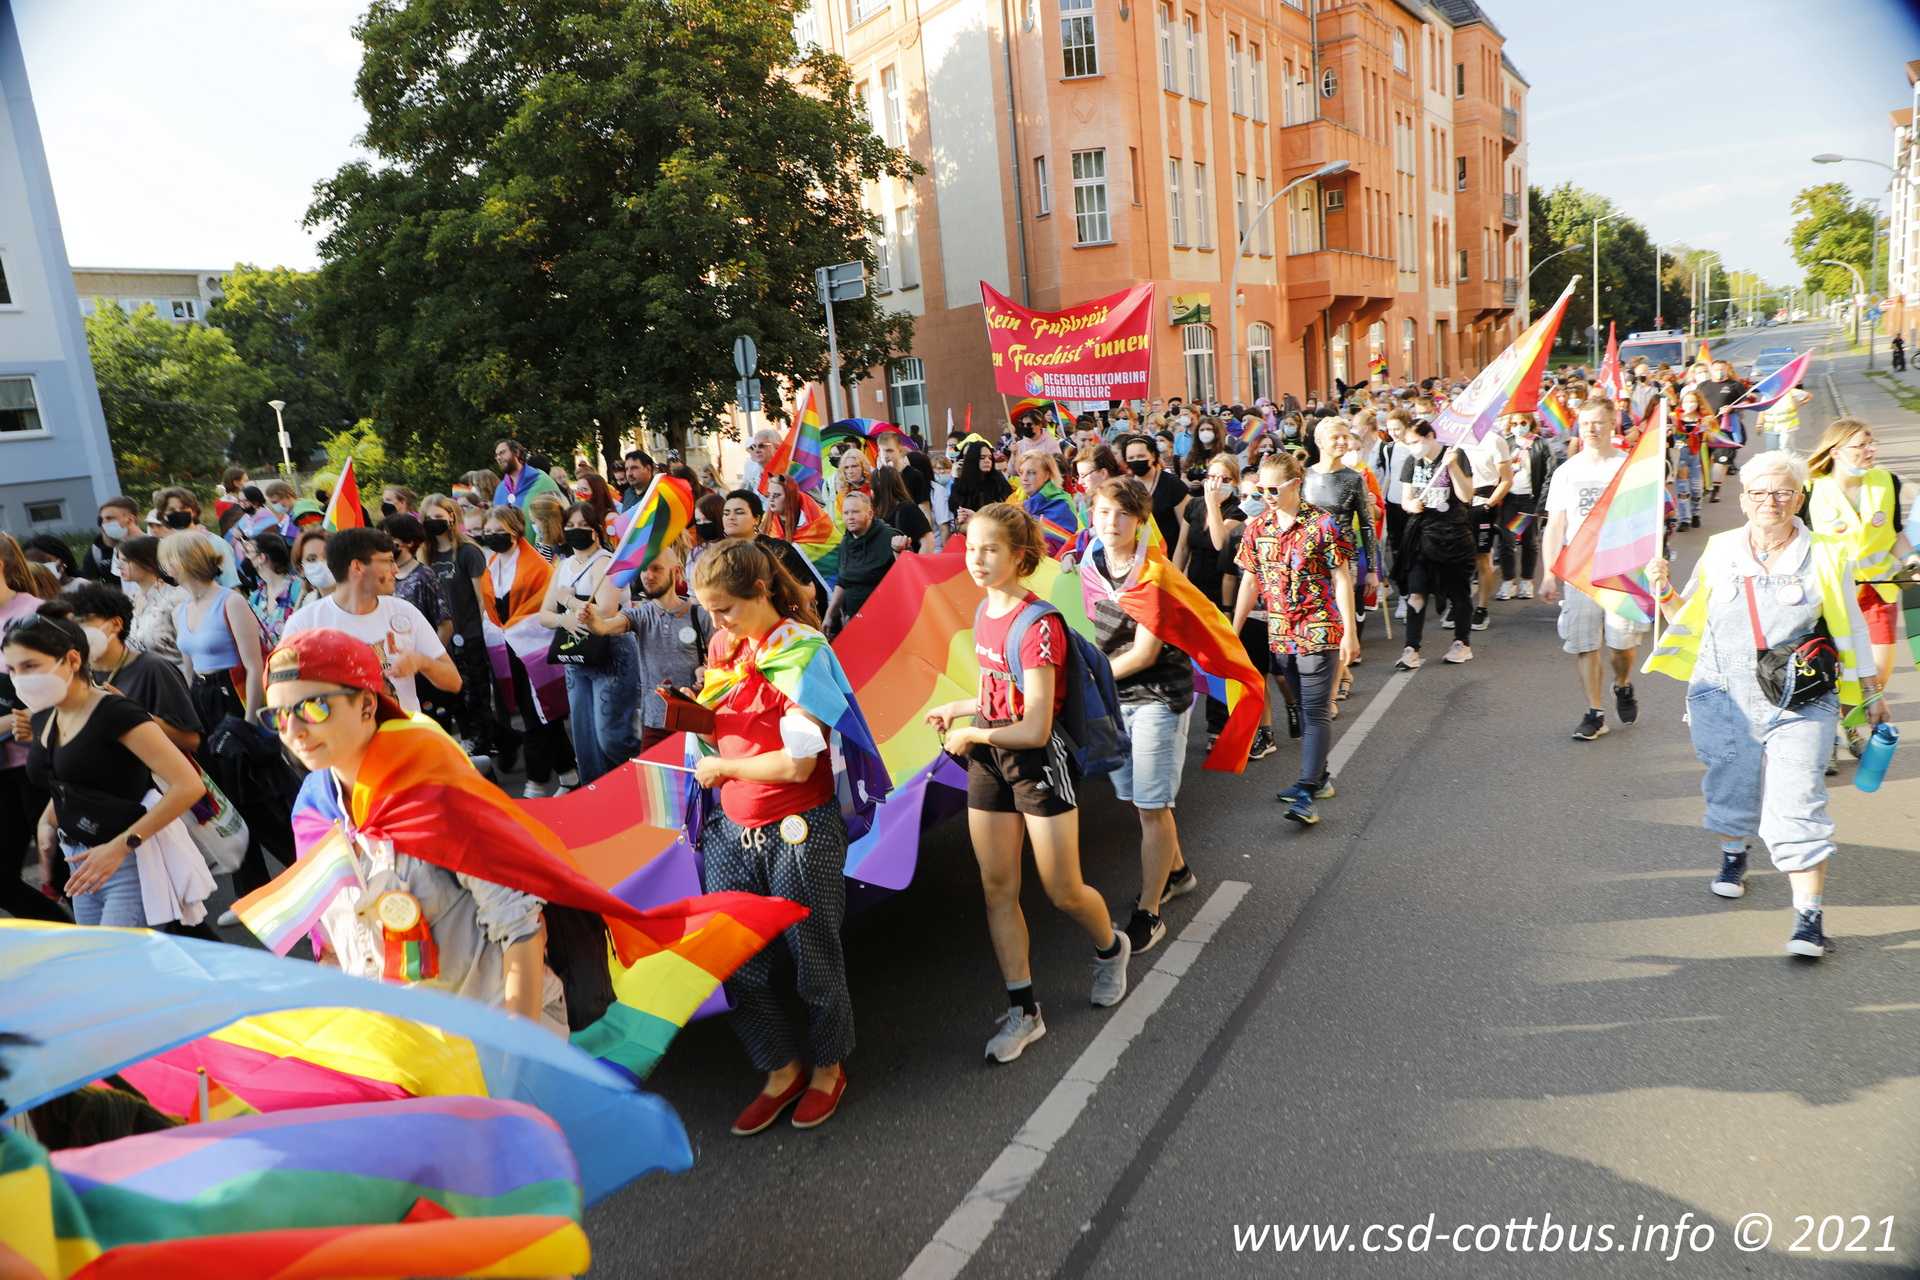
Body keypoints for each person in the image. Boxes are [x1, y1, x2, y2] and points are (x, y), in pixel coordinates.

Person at [1645, 451, 1886, 958]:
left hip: (1800, 696)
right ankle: (1734, 853)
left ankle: (1808, 920)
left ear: (1799, 498)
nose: (1769, 501)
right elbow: (1687, 616)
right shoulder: (1720, 549)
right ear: (1743, 500)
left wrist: (1871, 692)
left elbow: (1853, 625)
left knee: (1799, 801)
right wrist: (1661, 589)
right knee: (1730, 781)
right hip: (1722, 690)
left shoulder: (1826, 553)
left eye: (1781, 492)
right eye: (1758, 492)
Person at [923, 504, 1131, 1065]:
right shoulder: (985, 609)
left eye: (990, 549)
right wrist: (961, 708)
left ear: (1019, 556)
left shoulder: (1039, 625)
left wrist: (972, 734)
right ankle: (1024, 1011)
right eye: (971, 548)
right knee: (997, 888)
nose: (976, 559)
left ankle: (1111, 948)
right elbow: (998, 689)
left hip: (1037, 760)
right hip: (991, 755)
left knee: (1063, 889)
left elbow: (1036, 726)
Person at [687, 538, 876, 1131]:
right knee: (734, 960)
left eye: (725, 608)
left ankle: (828, 1068)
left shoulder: (801, 652)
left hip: (800, 828)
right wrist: (696, 716)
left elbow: (798, 765)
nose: (717, 622)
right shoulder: (724, 644)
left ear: (760, 590)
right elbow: (726, 726)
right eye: (709, 611)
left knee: (812, 959)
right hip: (732, 827)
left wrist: (723, 767)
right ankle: (780, 1069)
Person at [13, 607, 208, 928]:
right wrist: (48, 822)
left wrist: (121, 846)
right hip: (79, 864)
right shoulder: (45, 716)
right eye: (13, 669)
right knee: (114, 957)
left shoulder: (114, 711)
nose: (20, 678)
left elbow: (188, 785)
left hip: (128, 862)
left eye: (30, 666)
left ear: (72, 660)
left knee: (119, 957)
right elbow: (65, 778)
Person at [1081, 478, 1202, 948]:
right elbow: (1101, 630)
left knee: (1152, 806)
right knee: (1137, 798)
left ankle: (1149, 912)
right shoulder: (1092, 562)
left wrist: (1086, 683)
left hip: (1158, 695)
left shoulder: (1154, 573)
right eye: (1103, 511)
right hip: (1117, 698)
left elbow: (1144, 654)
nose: (1111, 522)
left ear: (1140, 521)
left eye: (1123, 514)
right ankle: (1178, 872)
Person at [1231, 454, 1358, 827]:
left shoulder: (1322, 524)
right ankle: (1320, 779)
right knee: (1303, 708)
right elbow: (1250, 582)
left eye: (1274, 489)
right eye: (1261, 490)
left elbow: (1342, 579)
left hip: (1318, 627)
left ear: (1296, 483)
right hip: (1280, 632)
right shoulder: (1258, 527)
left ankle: (1306, 792)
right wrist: (1233, 631)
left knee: (1315, 711)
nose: (1267, 496)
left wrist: (1350, 632)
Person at [1541, 397, 1650, 740]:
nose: (1590, 429)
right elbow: (1555, 526)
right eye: (1585, 423)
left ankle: (1623, 684)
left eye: (1598, 422)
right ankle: (1595, 713)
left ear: (1612, 422)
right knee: (1584, 642)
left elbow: (1644, 519)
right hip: (1580, 567)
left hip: (1621, 565)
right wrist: (1548, 573)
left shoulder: (1628, 466)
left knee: (1621, 644)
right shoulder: (1567, 471)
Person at [280, 527, 460, 719]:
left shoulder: (405, 611)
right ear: (357, 567)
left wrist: (421, 662)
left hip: (405, 735)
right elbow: (284, 698)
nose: (396, 569)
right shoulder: (303, 624)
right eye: (388, 561)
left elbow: (454, 682)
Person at [1808, 419, 1920, 699]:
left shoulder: (1887, 482)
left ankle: (1861, 712)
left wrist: (1912, 561)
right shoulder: (1809, 490)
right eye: (1862, 445)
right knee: (1838, 673)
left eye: (1872, 444)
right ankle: (1848, 719)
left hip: (1877, 591)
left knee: (1877, 677)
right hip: (1832, 595)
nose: (1871, 450)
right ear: (1836, 452)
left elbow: (1894, 532)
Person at [538, 502, 637, 784]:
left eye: (583, 525)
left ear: (596, 530)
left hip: (612, 652)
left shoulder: (605, 561)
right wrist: (565, 620)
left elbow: (606, 610)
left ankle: (641, 777)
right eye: (570, 525)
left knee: (610, 736)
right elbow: (545, 615)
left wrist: (567, 600)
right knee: (584, 736)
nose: (575, 530)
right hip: (576, 654)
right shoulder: (564, 566)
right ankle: (597, 793)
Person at [479, 506, 575, 797]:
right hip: (508, 649)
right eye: (488, 531)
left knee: (538, 716)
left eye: (499, 531)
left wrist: (515, 627)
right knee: (544, 716)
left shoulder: (538, 566)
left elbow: (547, 608)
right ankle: (570, 775)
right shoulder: (492, 564)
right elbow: (491, 609)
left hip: (536, 648)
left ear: (515, 531)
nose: (493, 536)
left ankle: (535, 786)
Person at [582, 541, 711, 753]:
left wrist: (706, 670)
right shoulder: (640, 615)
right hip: (654, 724)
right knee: (649, 774)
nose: (648, 576)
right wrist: (591, 620)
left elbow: (721, 661)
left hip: (694, 722)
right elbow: (603, 627)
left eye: (656, 568)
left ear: (676, 571)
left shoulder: (701, 615)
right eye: (643, 570)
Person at [0, 536, 65, 922]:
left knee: (67, 874)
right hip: (2, 770)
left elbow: (69, 684)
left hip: (41, 765)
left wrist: (13, 720)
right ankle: (69, 937)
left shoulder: (35, 613)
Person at [65, 584, 199, 756]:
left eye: (82, 623)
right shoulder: (76, 674)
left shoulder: (152, 668)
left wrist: (134, 715)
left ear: (115, 624)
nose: (75, 634)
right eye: (70, 626)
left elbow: (190, 740)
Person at [1302, 419, 1380, 701]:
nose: (1342, 442)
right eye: (1335, 437)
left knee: (1336, 623)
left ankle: (1331, 693)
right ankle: (1343, 673)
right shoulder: (1304, 477)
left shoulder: (1354, 478)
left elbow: (1367, 524)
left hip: (1344, 561)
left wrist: (1372, 569)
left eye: (1345, 436)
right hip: (1310, 561)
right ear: (1319, 442)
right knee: (1317, 623)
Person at [1392, 421, 1476, 670]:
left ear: (1430, 436)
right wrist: (1410, 505)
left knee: (1459, 593)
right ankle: (1411, 648)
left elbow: (1466, 496)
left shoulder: (1455, 455)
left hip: (1454, 534)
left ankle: (1462, 643)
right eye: (1409, 443)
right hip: (1421, 535)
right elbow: (1406, 498)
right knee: (1416, 591)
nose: (1413, 447)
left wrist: (1453, 467)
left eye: (1416, 442)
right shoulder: (1412, 461)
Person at [421, 492, 497, 756]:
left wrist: (483, 636)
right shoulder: (426, 555)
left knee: (476, 698)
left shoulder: (468, 552)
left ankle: (483, 750)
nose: (434, 521)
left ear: (451, 517)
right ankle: (499, 740)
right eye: (428, 518)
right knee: (454, 699)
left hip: (469, 636)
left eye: (439, 516)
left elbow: (482, 599)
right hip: (442, 639)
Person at [823, 491, 907, 637]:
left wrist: (898, 552)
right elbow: (842, 582)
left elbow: (908, 575)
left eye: (855, 512)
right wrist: (829, 616)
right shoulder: (845, 542)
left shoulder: (890, 537)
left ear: (870, 514)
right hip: (854, 622)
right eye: (846, 513)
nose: (850, 517)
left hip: (887, 623)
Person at [1459, 417, 1515, 632]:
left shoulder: (1495, 441)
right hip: (1458, 505)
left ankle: (1481, 608)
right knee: (1458, 558)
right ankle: (1459, 603)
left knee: (1482, 558)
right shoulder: (1456, 439)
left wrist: (1489, 505)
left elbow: (1506, 479)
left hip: (1482, 504)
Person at [1494, 413, 1555, 601]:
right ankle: (1508, 582)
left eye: (1522, 422)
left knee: (1529, 541)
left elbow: (1549, 475)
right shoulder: (1506, 443)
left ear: (1530, 423)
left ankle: (1527, 581)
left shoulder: (1541, 444)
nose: (1518, 426)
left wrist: (1541, 505)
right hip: (1509, 499)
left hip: (1529, 500)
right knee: (1507, 540)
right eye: (1514, 423)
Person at [154, 487, 240, 587]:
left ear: (194, 512)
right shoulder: (165, 548)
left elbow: (231, 585)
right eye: (171, 510)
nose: (178, 512)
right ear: (163, 516)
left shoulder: (215, 543)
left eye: (183, 508)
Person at [1693, 360, 1747, 500]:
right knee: (1704, 458)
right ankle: (1706, 486)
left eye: (1723, 369)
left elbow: (1744, 404)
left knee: (1721, 459)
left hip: (1725, 429)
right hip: (1705, 428)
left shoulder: (1735, 385)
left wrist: (1731, 408)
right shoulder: (1702, 386)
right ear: (1711, 370)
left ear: (1728, 369)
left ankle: (1716, 490)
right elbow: (1695, 403)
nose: (1719, 371)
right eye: (1716, 369)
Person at [1123, 434, 1188, 548]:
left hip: (1170, 553)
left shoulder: (1172, 484)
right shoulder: (1125, 488)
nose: (1136, 461)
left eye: (1141, 456)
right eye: (1131, 458)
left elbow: (1185, 527)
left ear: (1152, 456)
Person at [244, 530, 304, 647]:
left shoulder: (298, 589)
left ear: (261, 557)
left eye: (248, 552)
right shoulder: (256, 597)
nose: (246, 557)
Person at [870, 465, 934, 552]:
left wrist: (912, 561)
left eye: (872, 488)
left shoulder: (907, 509)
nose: (872, 492)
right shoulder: (877, 513)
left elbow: (928, 542)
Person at [79, 496, 139, 587]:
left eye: (110, 518)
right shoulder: (95, 554)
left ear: (130, 520)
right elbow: (90, 589)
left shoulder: (148, 546)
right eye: (103, 519)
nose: (105, 523)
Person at [950, 440, 1012, 522]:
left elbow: (1008, 509)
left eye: (990, 457)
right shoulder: (961, 484)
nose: (987, 461)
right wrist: (956, 477)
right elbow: (958, 518)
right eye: (982, 457)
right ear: (973, 459)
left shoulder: (998, 481)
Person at [494, 438, 564, 509]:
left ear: (517, 452)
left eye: (502, 452)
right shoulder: (500, 489)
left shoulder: (542, 481)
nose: (498, 458)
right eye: (497, 455)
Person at [741, 429, 781, 494]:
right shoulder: (755, 472)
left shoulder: (786, 471)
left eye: (761, 446)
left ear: (776, 448)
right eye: (754, 446)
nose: (756, 450)